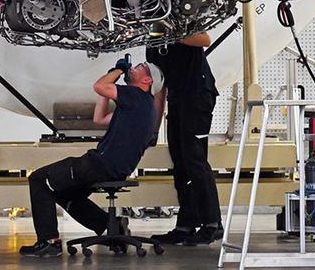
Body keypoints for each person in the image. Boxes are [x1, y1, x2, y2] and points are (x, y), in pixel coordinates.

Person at [19, 57, 163, 257]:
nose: (134, 68)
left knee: (39, 179)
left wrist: (117, 71)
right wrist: (109, 85)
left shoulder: (135, 95)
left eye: (140, 68)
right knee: (64, 194)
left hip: (98, 164)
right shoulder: (142, 106)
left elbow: (99, 86)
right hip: (113, 169)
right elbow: (100, 118)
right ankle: (110, 226)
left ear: (147, 81)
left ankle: (49, 242)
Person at [147, 32, 223, 246]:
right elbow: (159, 91)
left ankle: (212, 223)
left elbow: (205, 40)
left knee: (195, 159)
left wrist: (170, 34)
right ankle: (186, 225)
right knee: (180, 162)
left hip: (198, 94)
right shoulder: (152, 46)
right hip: (178, 99)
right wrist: (154, 130)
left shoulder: (181, 23)